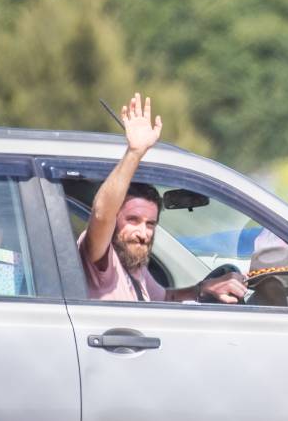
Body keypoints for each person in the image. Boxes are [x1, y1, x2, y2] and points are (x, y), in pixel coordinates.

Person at [78, 92, 247, 302]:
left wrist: (204, 289)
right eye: (132, 220)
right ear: (115, 221)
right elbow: (102, 214)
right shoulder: (101, 260)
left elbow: (165, 298)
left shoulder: (133, 265)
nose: (143, 233)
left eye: (150, 224)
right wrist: (134, 153)